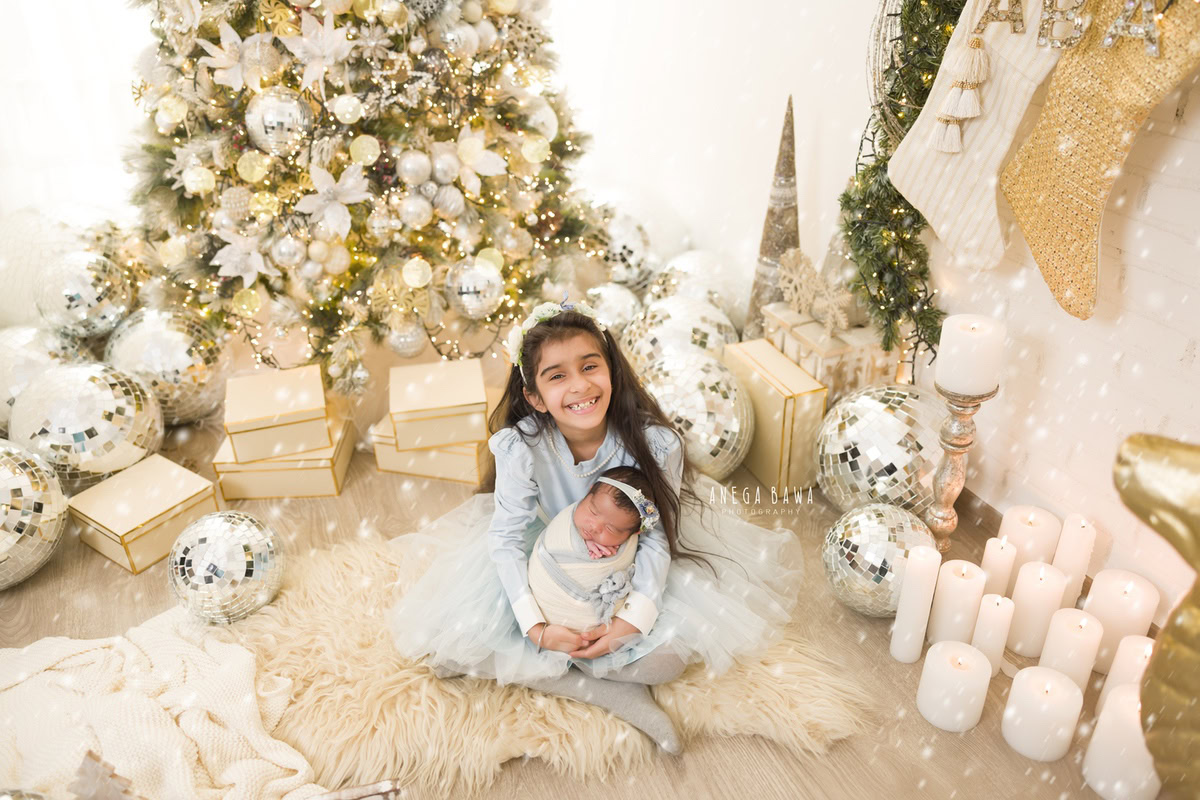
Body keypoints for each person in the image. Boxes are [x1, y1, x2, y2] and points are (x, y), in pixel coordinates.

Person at [388, 298, 803, 754]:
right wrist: (537, 628)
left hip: (624, 563)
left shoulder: (656, 444)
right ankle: (600, 686)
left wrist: (632, 619)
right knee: (447, 648)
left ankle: (576, 669)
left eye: (590, 366)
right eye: (557, 375)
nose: (580, 385)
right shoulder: (520, 448)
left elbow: (657, 537)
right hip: (541, 559)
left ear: (611, 370)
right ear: (535, 398)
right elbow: (505, 542)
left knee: (666, 661)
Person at [528, 466, 658, 635]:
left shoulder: (630, 538)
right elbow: (555, 542)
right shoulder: (568, 520)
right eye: (593, 511)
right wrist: (580, 545)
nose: (594, 527)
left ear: (634, 533)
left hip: (601, 627)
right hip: (544, 600)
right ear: (588, 494)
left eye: (611, 529)